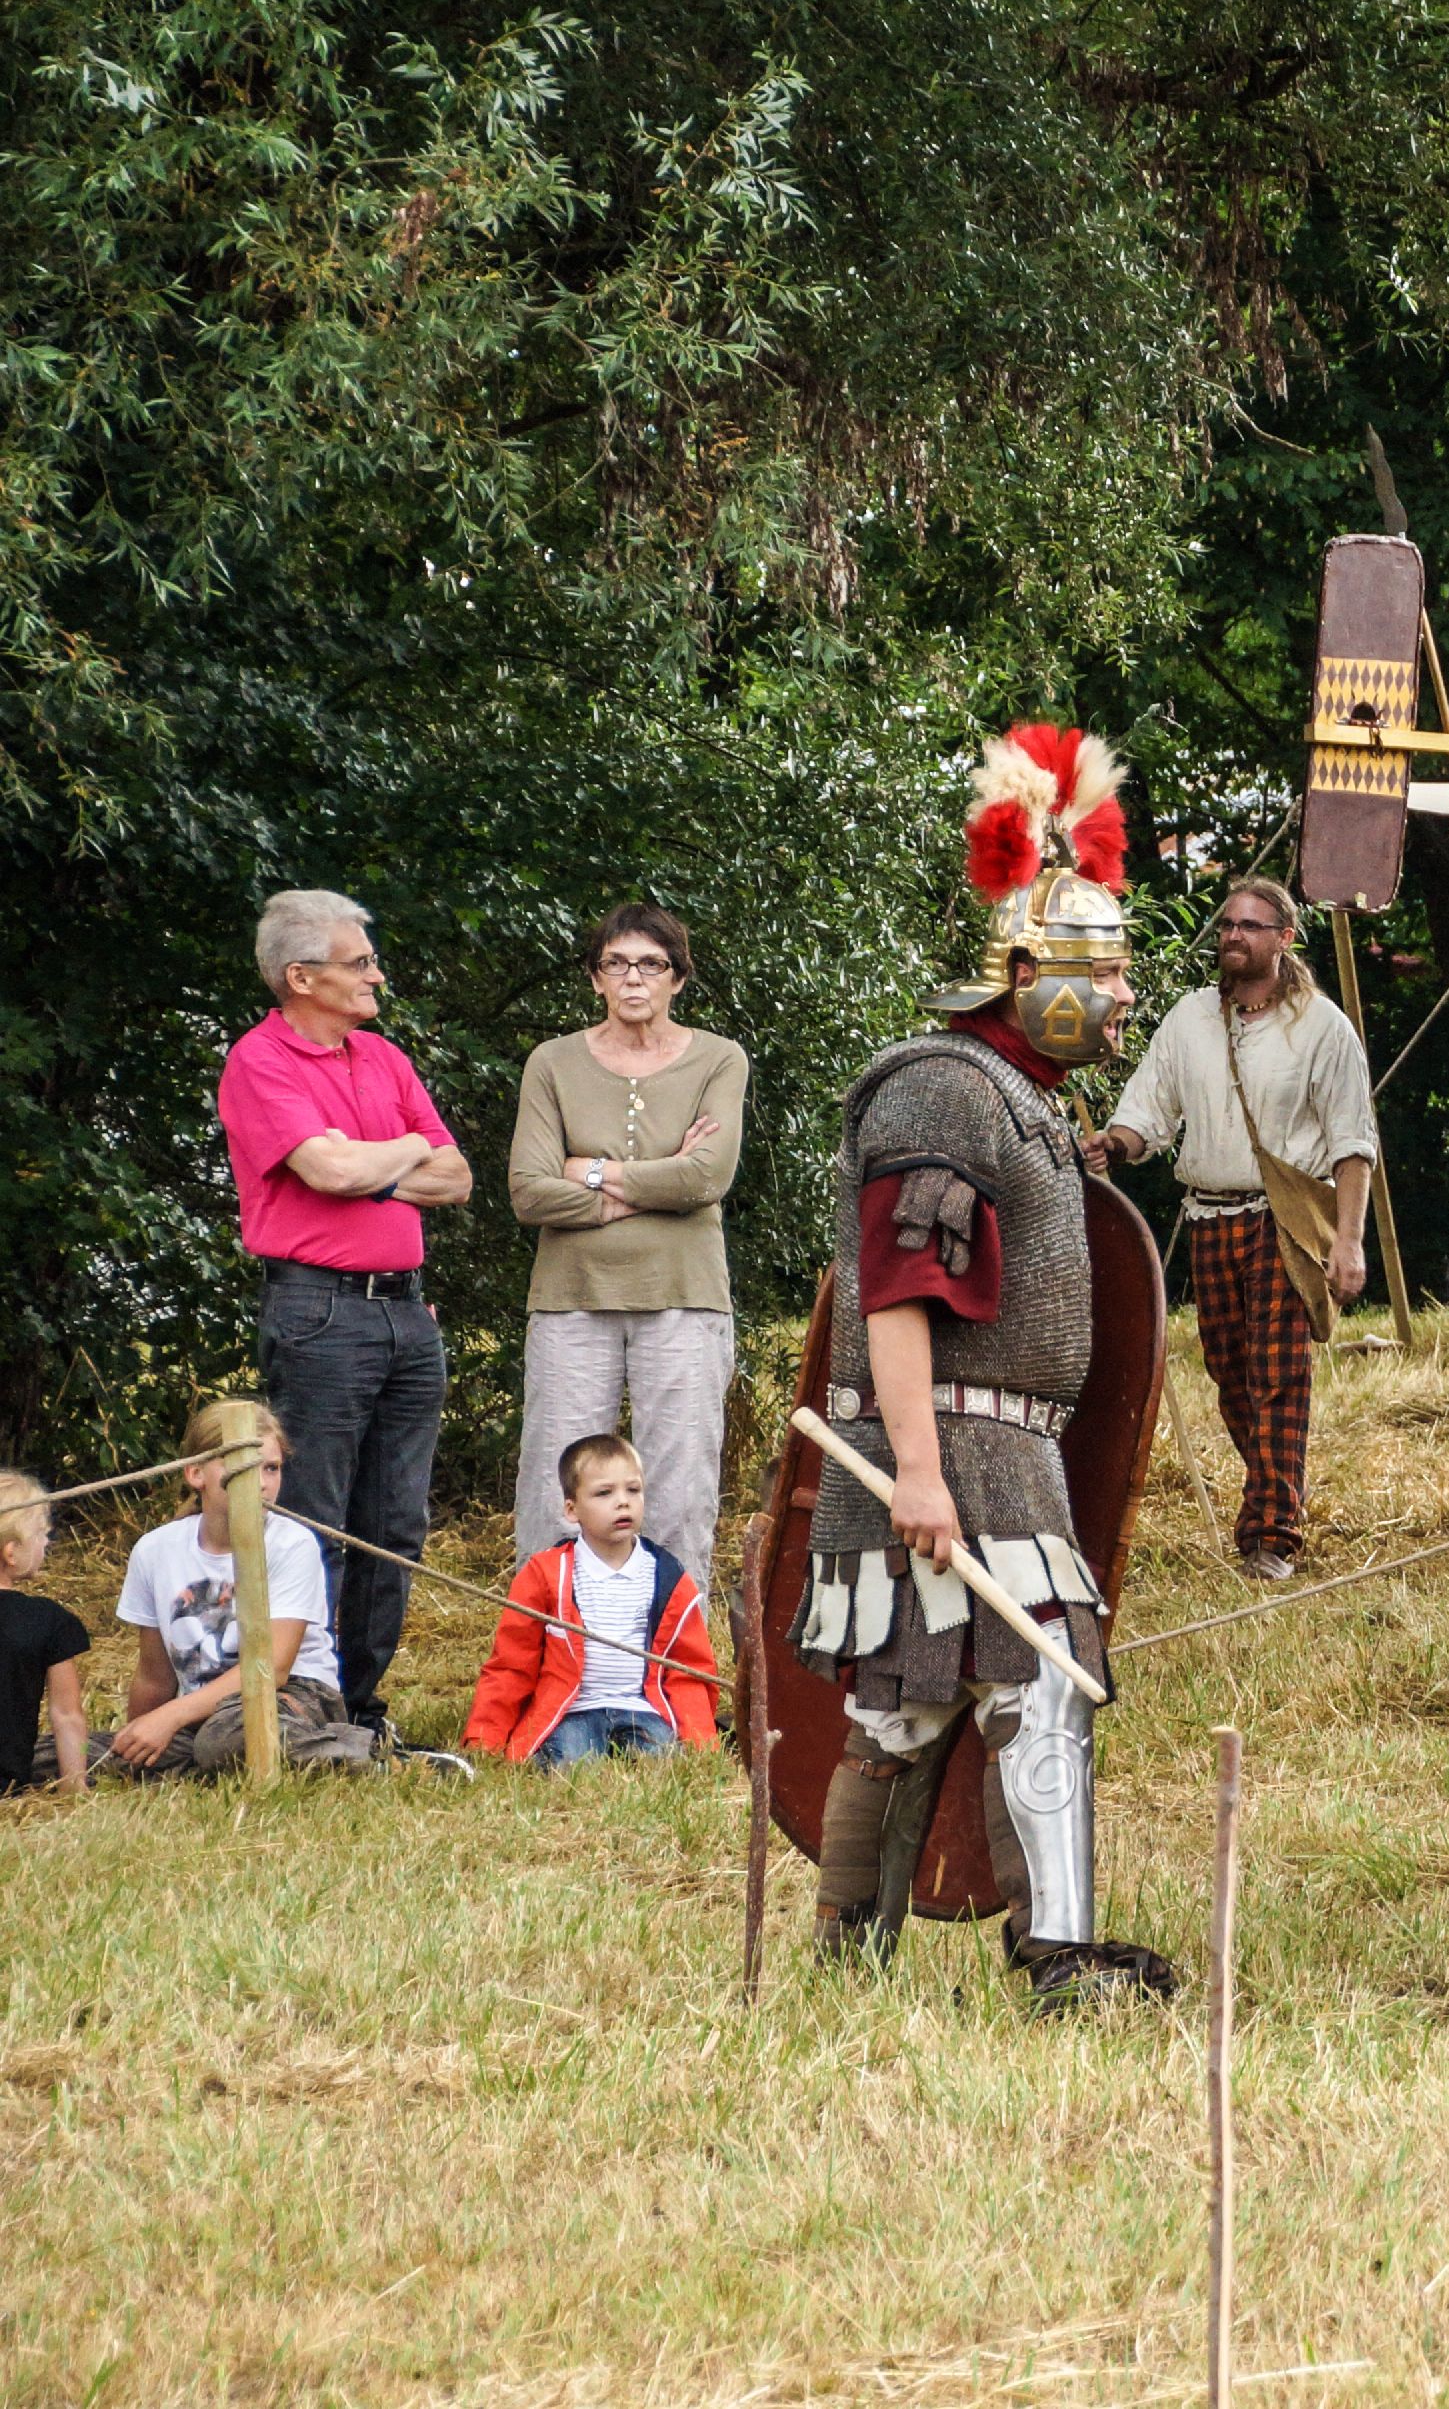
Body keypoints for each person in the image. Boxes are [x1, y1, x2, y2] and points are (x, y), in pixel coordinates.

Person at [792, 725, 1180, 2012]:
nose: (1122, 997)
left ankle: (852, 1958)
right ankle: (1054, 1960)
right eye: (1101, 973)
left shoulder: (1024, 1107)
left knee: (918, 1706)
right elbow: (892, 1291)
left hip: (997, 1447)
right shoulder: (943, 1089)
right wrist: (916, 1469)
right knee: (1034, 1682)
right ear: (1022, 971)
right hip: (947, 1444)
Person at [220, 889, 468, 1741]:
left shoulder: (384, 1057)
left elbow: (458, 1177)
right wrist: (402, 1152)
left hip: (408, 1315)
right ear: (300, 977)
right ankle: (300, 1707)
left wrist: (375, 1163)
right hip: (318, 1313)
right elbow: (325, 1171)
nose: (376, 976)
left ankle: (358, 1709)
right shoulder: (260, 1061)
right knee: (314, 1518)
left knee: (395, 1525)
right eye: (359, 962)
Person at [1089, 874, 1377, 1580]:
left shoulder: (1321, 1026)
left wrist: (1347, 1240)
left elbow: (1351, 1142)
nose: (1232, 937)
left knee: (1277, 1375)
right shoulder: (1189, 1019)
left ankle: (1271, 1534)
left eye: (1249, 926)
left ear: (1284, 939)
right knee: (1229, 1374)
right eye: (1225, 926)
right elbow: (1148, 1108)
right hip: (1208, 1218)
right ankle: (1276, 1494)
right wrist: (1115, 1145)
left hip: (1281, 1220)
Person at [507, 904, 749, 1576]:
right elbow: (527, 1191)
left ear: (678, 979)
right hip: (571, 1297)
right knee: (557, 1485)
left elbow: (706, 1176)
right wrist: (654, 1182)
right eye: (616, 963)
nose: (633, 978)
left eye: (652, 964)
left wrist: (589, 1171)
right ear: (595, 978)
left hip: (685, 1295)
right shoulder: (552, 1062)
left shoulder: (717, 1059)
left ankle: (672, 1666)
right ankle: (549, 1658)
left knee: (677, 1492)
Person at [101, 1403, 378, 1777]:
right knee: (60, 1754)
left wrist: (169, 1718)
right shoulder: (154, 1550)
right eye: (244, 1467)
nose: (261, 1482)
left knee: (223, 1740)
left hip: (292, 1696)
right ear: (196, 1472)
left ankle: (378, 1758)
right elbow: (154, 1675)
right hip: (204, 1710)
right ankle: (211, 1769)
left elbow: (272, 1669)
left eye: (271, 1468)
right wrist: (137, 1743)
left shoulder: (292, 1543)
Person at [463, 1432, 725, 1767]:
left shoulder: (668, 1578)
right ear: (572, 1510)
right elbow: (511, 1665)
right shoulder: (546, 1575)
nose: (623, 1502)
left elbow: (690, 1669)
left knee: (662, 1760)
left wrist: (702, 1740)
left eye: (633, 1490)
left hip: (642, 1708)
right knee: (571, 1762)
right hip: (575, 1710)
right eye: (604, 1493)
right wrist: (484, 1740)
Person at [3, 1475, 91, 1794]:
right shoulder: (48, 1621)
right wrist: (75, 1786)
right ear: (11, 1552)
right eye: (43, 1535)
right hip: (6, 1789)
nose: (47, 1544)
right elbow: (67, 1716)